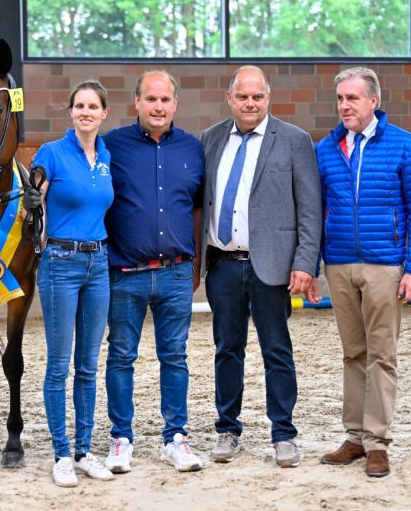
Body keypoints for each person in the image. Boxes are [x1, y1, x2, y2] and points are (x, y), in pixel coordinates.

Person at [199, 66, 322, 468]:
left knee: (277, 351)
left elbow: (310, 208)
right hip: (223, 266)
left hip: (273, 267)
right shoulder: (211, 139)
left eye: (258, 96)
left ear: (268, 98)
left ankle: (283, 434)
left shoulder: (294, 140)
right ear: (230, 99)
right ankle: (227, 429)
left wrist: (305, 262)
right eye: (243, 96)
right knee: (227, 350)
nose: (250, 103)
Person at [314, 67, 411, 478]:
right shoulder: (326, 149)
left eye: (353, 98)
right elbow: (315, 212)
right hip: (340, 264)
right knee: (353, 353)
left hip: (385, 265)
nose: (345, 106)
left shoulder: (404, 146)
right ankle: (354, 437)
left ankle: (377, 441)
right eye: (340, 99)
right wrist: (313, 266)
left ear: (373, 102)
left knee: (382, 354)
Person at [101, 70, 206, 473]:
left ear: (175, 104)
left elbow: (198, 207)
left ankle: (175, 437)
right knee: (121, 356)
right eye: (150, 99)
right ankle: (121, 438)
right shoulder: (112, 147)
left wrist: (196, 263)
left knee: (175, 356)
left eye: (165, 100)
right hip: (125, 273)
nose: (158, 107)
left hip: (177, 273)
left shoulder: (193, 149)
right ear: (137, 103)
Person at [25, 80, 115, 488]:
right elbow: (35, 191)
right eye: (79, 106)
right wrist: (32, 204)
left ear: (103, 113)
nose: (85, 112)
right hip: (61, 261)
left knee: (88, 364)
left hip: (99, 261)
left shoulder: (106, 156)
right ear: (71, 112)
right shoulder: (53, 153)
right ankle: (61, 452)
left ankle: (83, 449)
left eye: (92, 106)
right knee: (59, 364)